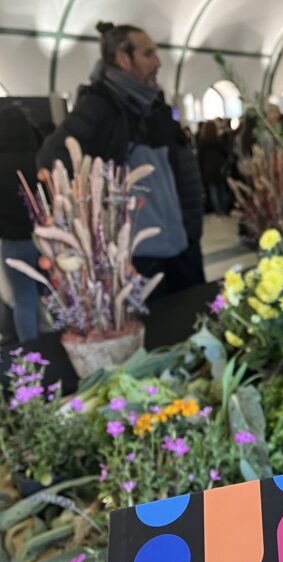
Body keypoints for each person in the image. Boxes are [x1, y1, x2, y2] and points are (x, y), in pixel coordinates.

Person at [39, 21, 205, 296]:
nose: (158, 62)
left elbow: (180, 175)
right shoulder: (99, 107)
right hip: (139, 260)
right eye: (148, 54)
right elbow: (52, 158)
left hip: (180, 249)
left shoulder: (155, 107)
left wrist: (192, 233)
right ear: (123, 59)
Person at [0, 108, 42, 341]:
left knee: (24, 299)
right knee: (53, 294)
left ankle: (32, 350)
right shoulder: (39, 159)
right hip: (46, 239)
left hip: (13, 243)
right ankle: (58, 341)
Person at [197, 119, 230, 215]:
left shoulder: (202, 142)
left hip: (208, 169)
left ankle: (218, 210)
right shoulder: (218, 140)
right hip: (219, 168)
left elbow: (200, 158)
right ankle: (224, 209)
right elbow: (225, 153)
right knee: (222, 189)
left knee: (213, 191)